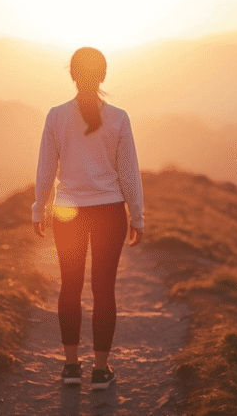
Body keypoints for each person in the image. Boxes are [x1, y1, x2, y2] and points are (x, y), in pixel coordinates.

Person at [32, 47, 144, 390]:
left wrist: (40, 208)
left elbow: (46, 168)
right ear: (104, 75)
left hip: (68, 213)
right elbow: (129, 174)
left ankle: (70, 367)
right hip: (110, 212)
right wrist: (137, 216)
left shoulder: (56, 116)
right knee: (103, 290)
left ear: (72, 75)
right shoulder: (119, 118)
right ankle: (100, 370)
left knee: (69, 286)